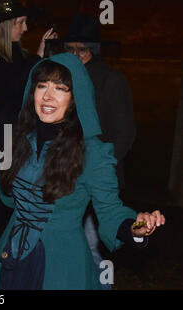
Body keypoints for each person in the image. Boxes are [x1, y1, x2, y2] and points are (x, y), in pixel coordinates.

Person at [0, 53, 165, 289]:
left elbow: (111, 213)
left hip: (60, 267)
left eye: (60, 88)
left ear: (75, 98)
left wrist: (138, 227)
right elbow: (10, 194)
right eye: (42, 85)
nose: (47, 96)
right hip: (15, 257)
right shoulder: (22, 140)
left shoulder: (92, 153)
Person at [0, 0, 56, 286]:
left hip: (20, 133)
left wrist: (40, 57)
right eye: (20, 22)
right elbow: (10, 88)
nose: (26, 28)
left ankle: (17, 254)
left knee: (19, 192)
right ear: (6, 26)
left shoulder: (22, 55)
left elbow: (31, 86)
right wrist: (36, 59)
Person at [63, 14, 136, 288]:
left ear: (92, 50)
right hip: (64, 180)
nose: (75, 55)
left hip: (98, 184)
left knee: (96, 250)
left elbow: (125, 134)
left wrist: (98, 169)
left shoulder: (112, 81)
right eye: (69, 49)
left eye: (81, 49)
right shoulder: (61, 77)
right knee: (65, 251)